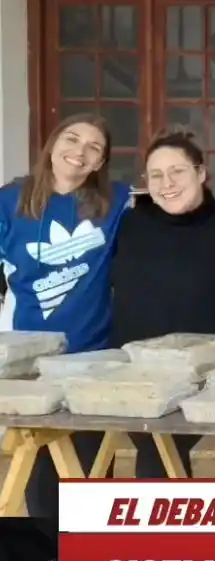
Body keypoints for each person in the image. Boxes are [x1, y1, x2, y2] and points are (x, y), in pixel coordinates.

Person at [0, 114, 131, 518]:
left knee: (92, 473)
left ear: (100, 162)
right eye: (72, 139)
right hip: (31, 361)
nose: (80, 151)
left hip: (94, 355)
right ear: (52, 144)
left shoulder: (118, 201)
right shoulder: (9, 201)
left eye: (94, 147)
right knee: (41, 475)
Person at [111, 127, 215, 479]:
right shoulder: (131, 223)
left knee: (163, 461)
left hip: (207, 375)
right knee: (157, 462)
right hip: (140, 373)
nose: (166, 182)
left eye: (177, 171)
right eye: (156, 175)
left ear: (201, 173)